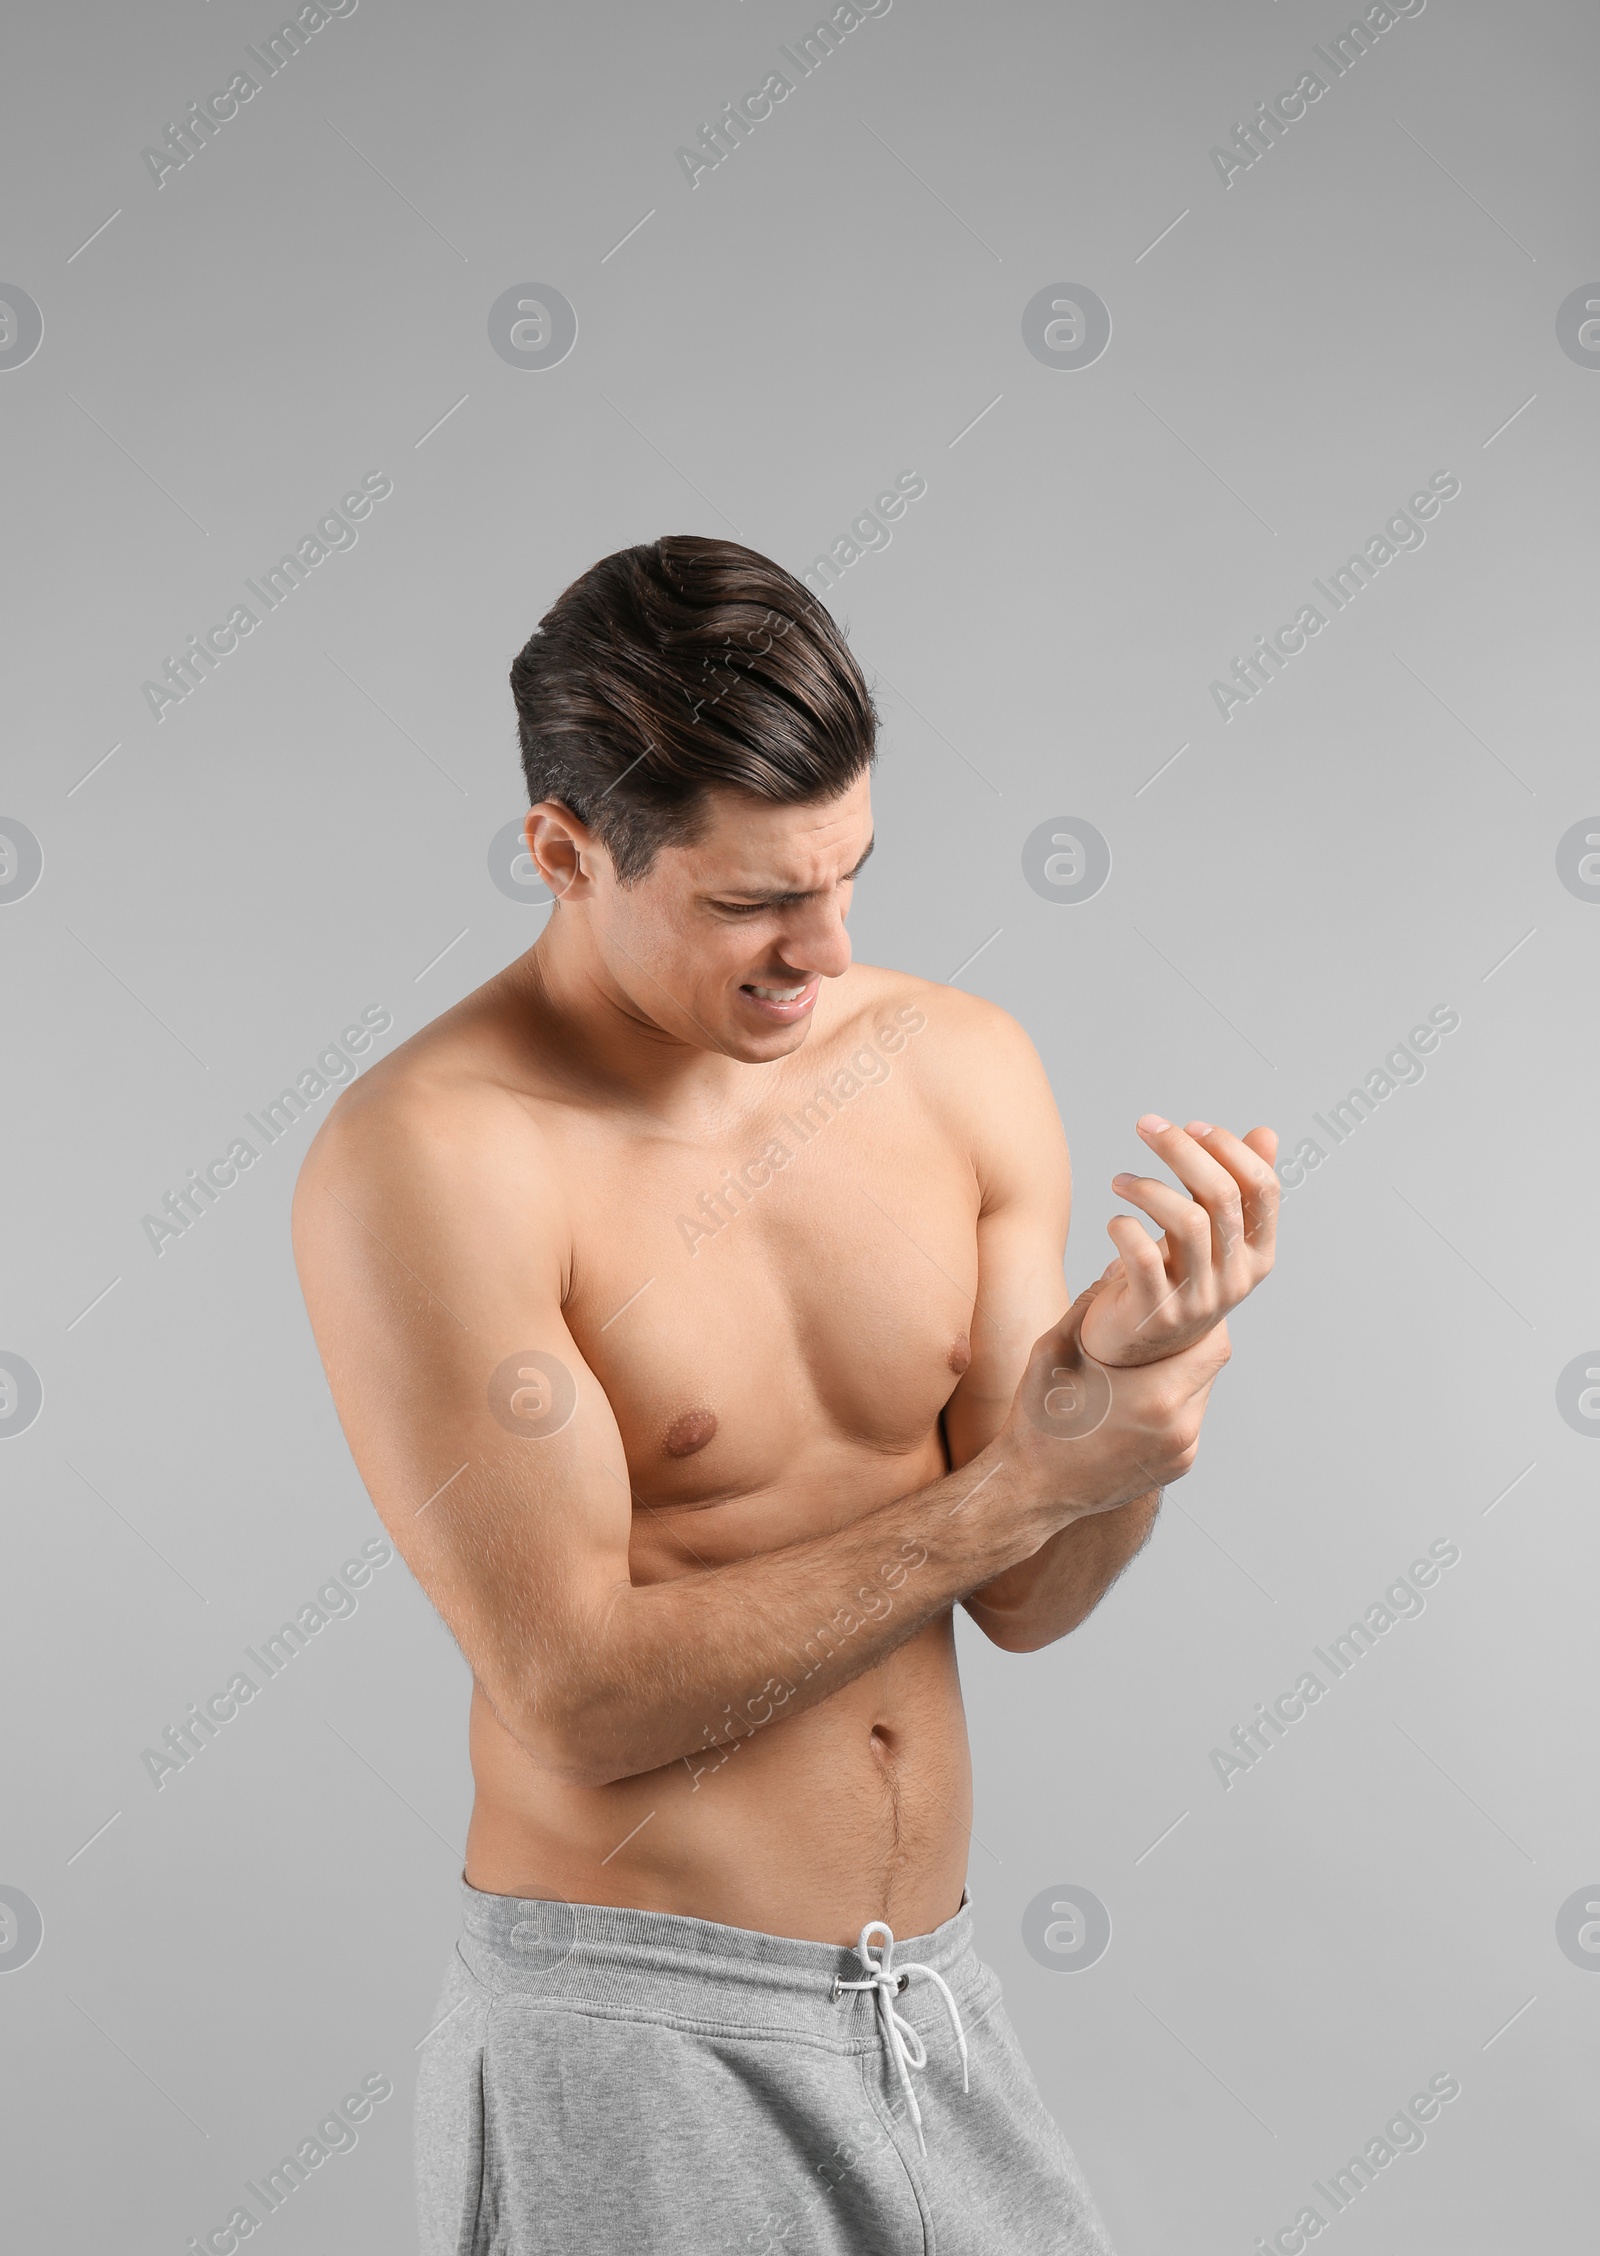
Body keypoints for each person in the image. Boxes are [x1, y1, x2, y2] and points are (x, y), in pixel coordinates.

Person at [290, 535, 1277, 2254]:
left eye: (847, 878)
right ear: (563, 849)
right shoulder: (432, 1162)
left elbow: (1030, 1598)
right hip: (629, 2034)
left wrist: (1121, 1413)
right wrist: (1028, 1483)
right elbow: (579, 1696)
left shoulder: (958, 1067)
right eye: (749, 902)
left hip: (927, 2008)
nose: (817, 952)